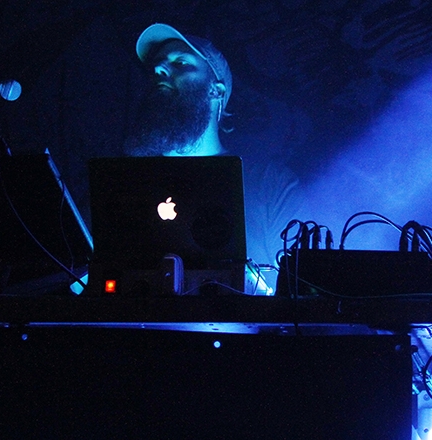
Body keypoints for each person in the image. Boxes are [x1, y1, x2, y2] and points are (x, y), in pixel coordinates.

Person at [126, 24, 304, 287]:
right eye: (156, 65)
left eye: (181, 63)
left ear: (216, 90)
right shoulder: (127, 184)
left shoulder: (271, 184)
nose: (159, 69)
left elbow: (296, 292)